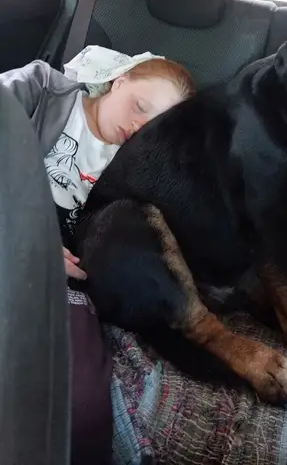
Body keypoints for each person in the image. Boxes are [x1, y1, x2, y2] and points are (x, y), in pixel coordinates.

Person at [0, 47, 195, 465]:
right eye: (139, 106)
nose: (138, 126)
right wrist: (28, 236)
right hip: (10, 228)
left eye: (152, 127)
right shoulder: (43, 89)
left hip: (65, 272)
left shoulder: (138, 168)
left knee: (80, 402)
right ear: (119, 80)